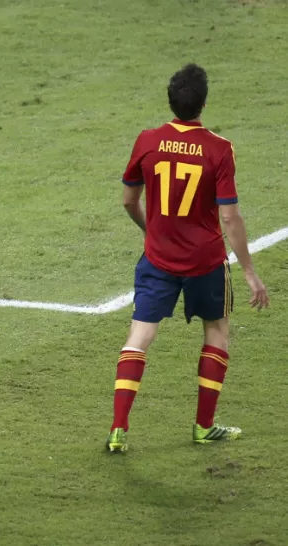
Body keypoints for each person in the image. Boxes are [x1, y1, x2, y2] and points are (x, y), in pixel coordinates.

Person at [106, 63, 270, 453]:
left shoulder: (147, 140)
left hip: (157, 260)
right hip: (205, 263)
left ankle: (118, 430)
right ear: (203, 103)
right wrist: (250, 272)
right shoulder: (218, 148)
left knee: (139, 337)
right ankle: (203, 426)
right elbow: (229, 216)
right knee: (216, 331)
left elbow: (129, 200)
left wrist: (153, 232)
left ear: (170, 100)